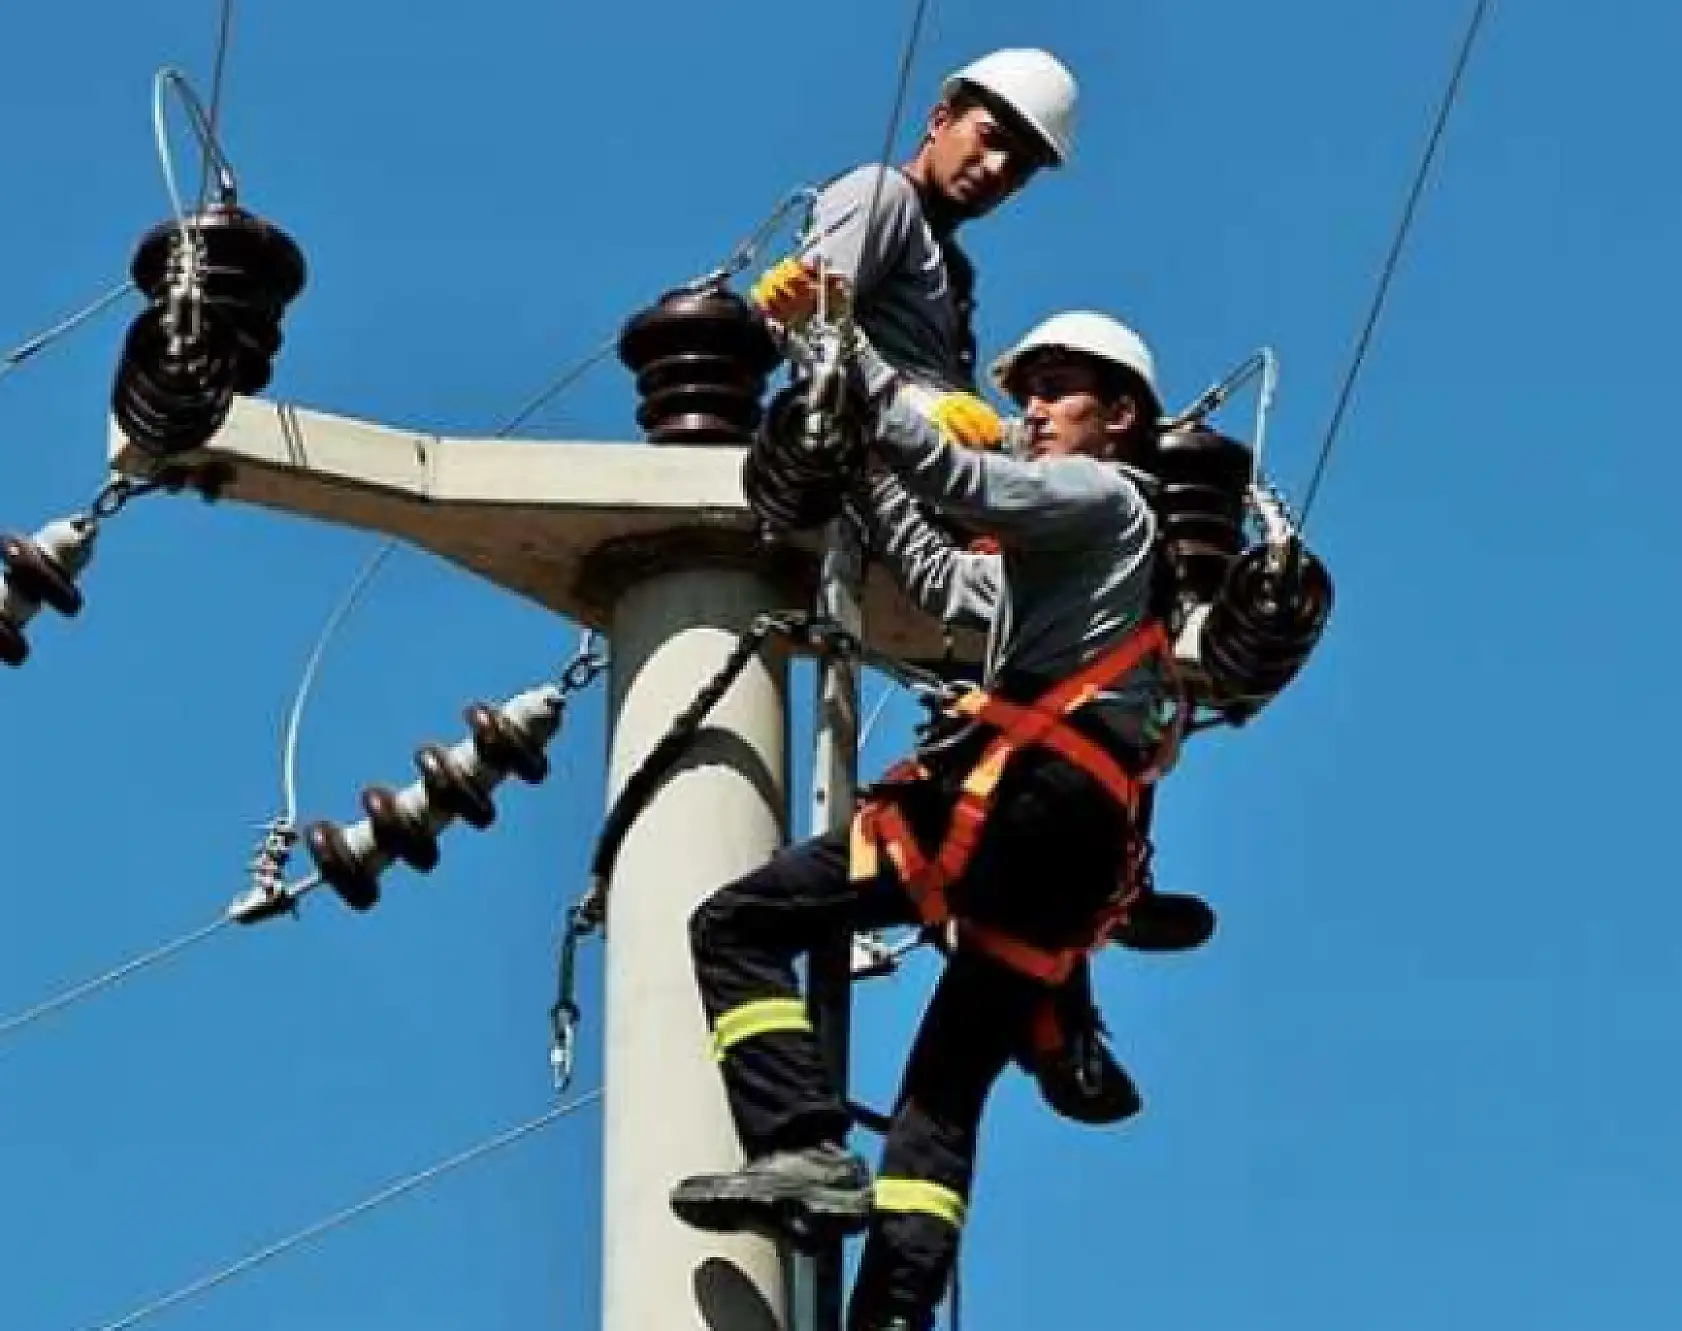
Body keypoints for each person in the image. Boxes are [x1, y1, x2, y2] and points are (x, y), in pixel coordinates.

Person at [672, 308, 1191, 1331]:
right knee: (941, 1096)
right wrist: (859, 461)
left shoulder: (1096, 497)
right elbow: (946, 573)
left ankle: (797, 1141)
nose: (1030, 409)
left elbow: (965, 487)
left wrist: (855, 372)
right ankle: (893, 1312)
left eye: (1056, 390)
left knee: (735, 924)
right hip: (1070, 854)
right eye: (1025, 390)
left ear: (1119, 416)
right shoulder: (1092, 560)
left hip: (1022, 807)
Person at [751, 48, 1076, 424]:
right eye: (991, 138)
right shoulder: (883, 194)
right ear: (940, 121)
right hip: (862, 462)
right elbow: (807, 326)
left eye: (1020, 166)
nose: (997, 167)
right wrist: (925, 408)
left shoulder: (953, 267)